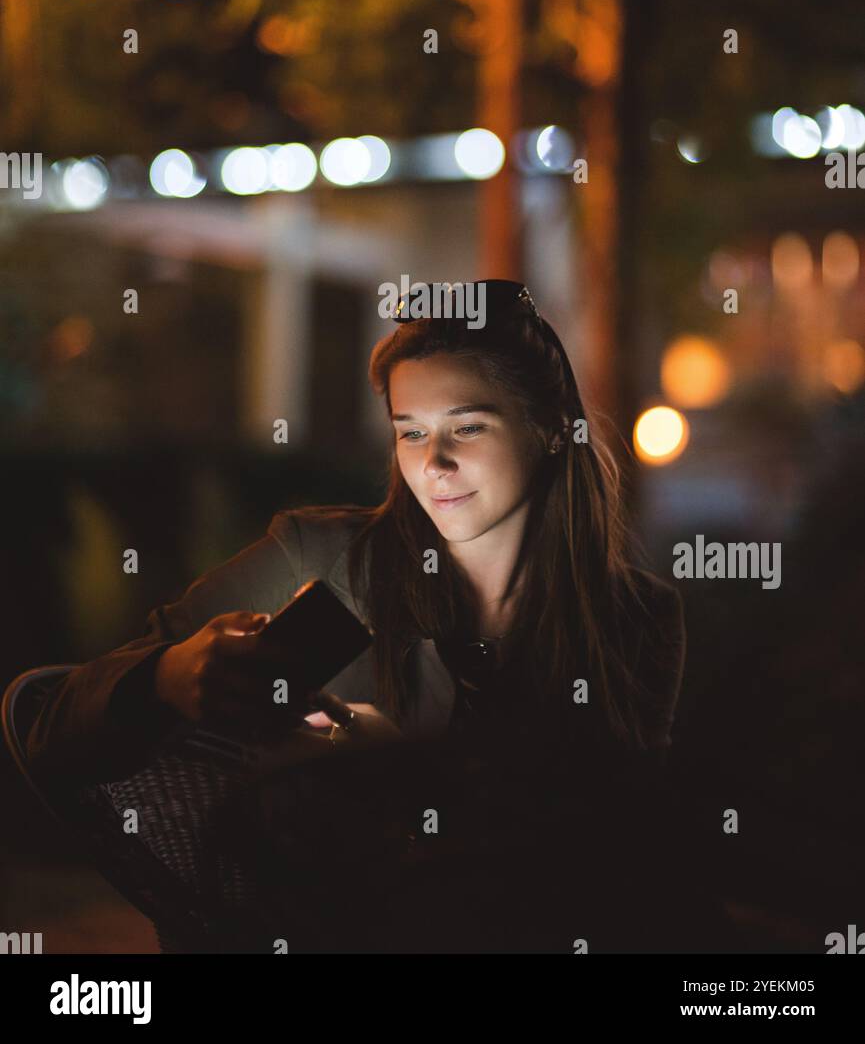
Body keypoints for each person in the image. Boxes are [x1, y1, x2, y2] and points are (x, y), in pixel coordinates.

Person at [26, 280, 686, 789]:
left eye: (468, 427)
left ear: (546, 431)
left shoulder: (631, 618)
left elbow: (612, 844)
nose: (434, 463)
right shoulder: (323, 562)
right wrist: (168, 676)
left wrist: (398, 766)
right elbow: (54, 724)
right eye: (410, 432)